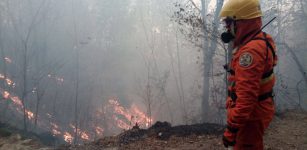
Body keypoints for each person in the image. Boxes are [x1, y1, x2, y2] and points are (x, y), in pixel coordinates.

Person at [219, 0, 278, 149]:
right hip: (257, 111)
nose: (227, 27)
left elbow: (246, 100)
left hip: (250, 117)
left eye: (229, 22)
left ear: (241, 22)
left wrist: (231, 130)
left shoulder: (250, 52)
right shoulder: (261, 39)